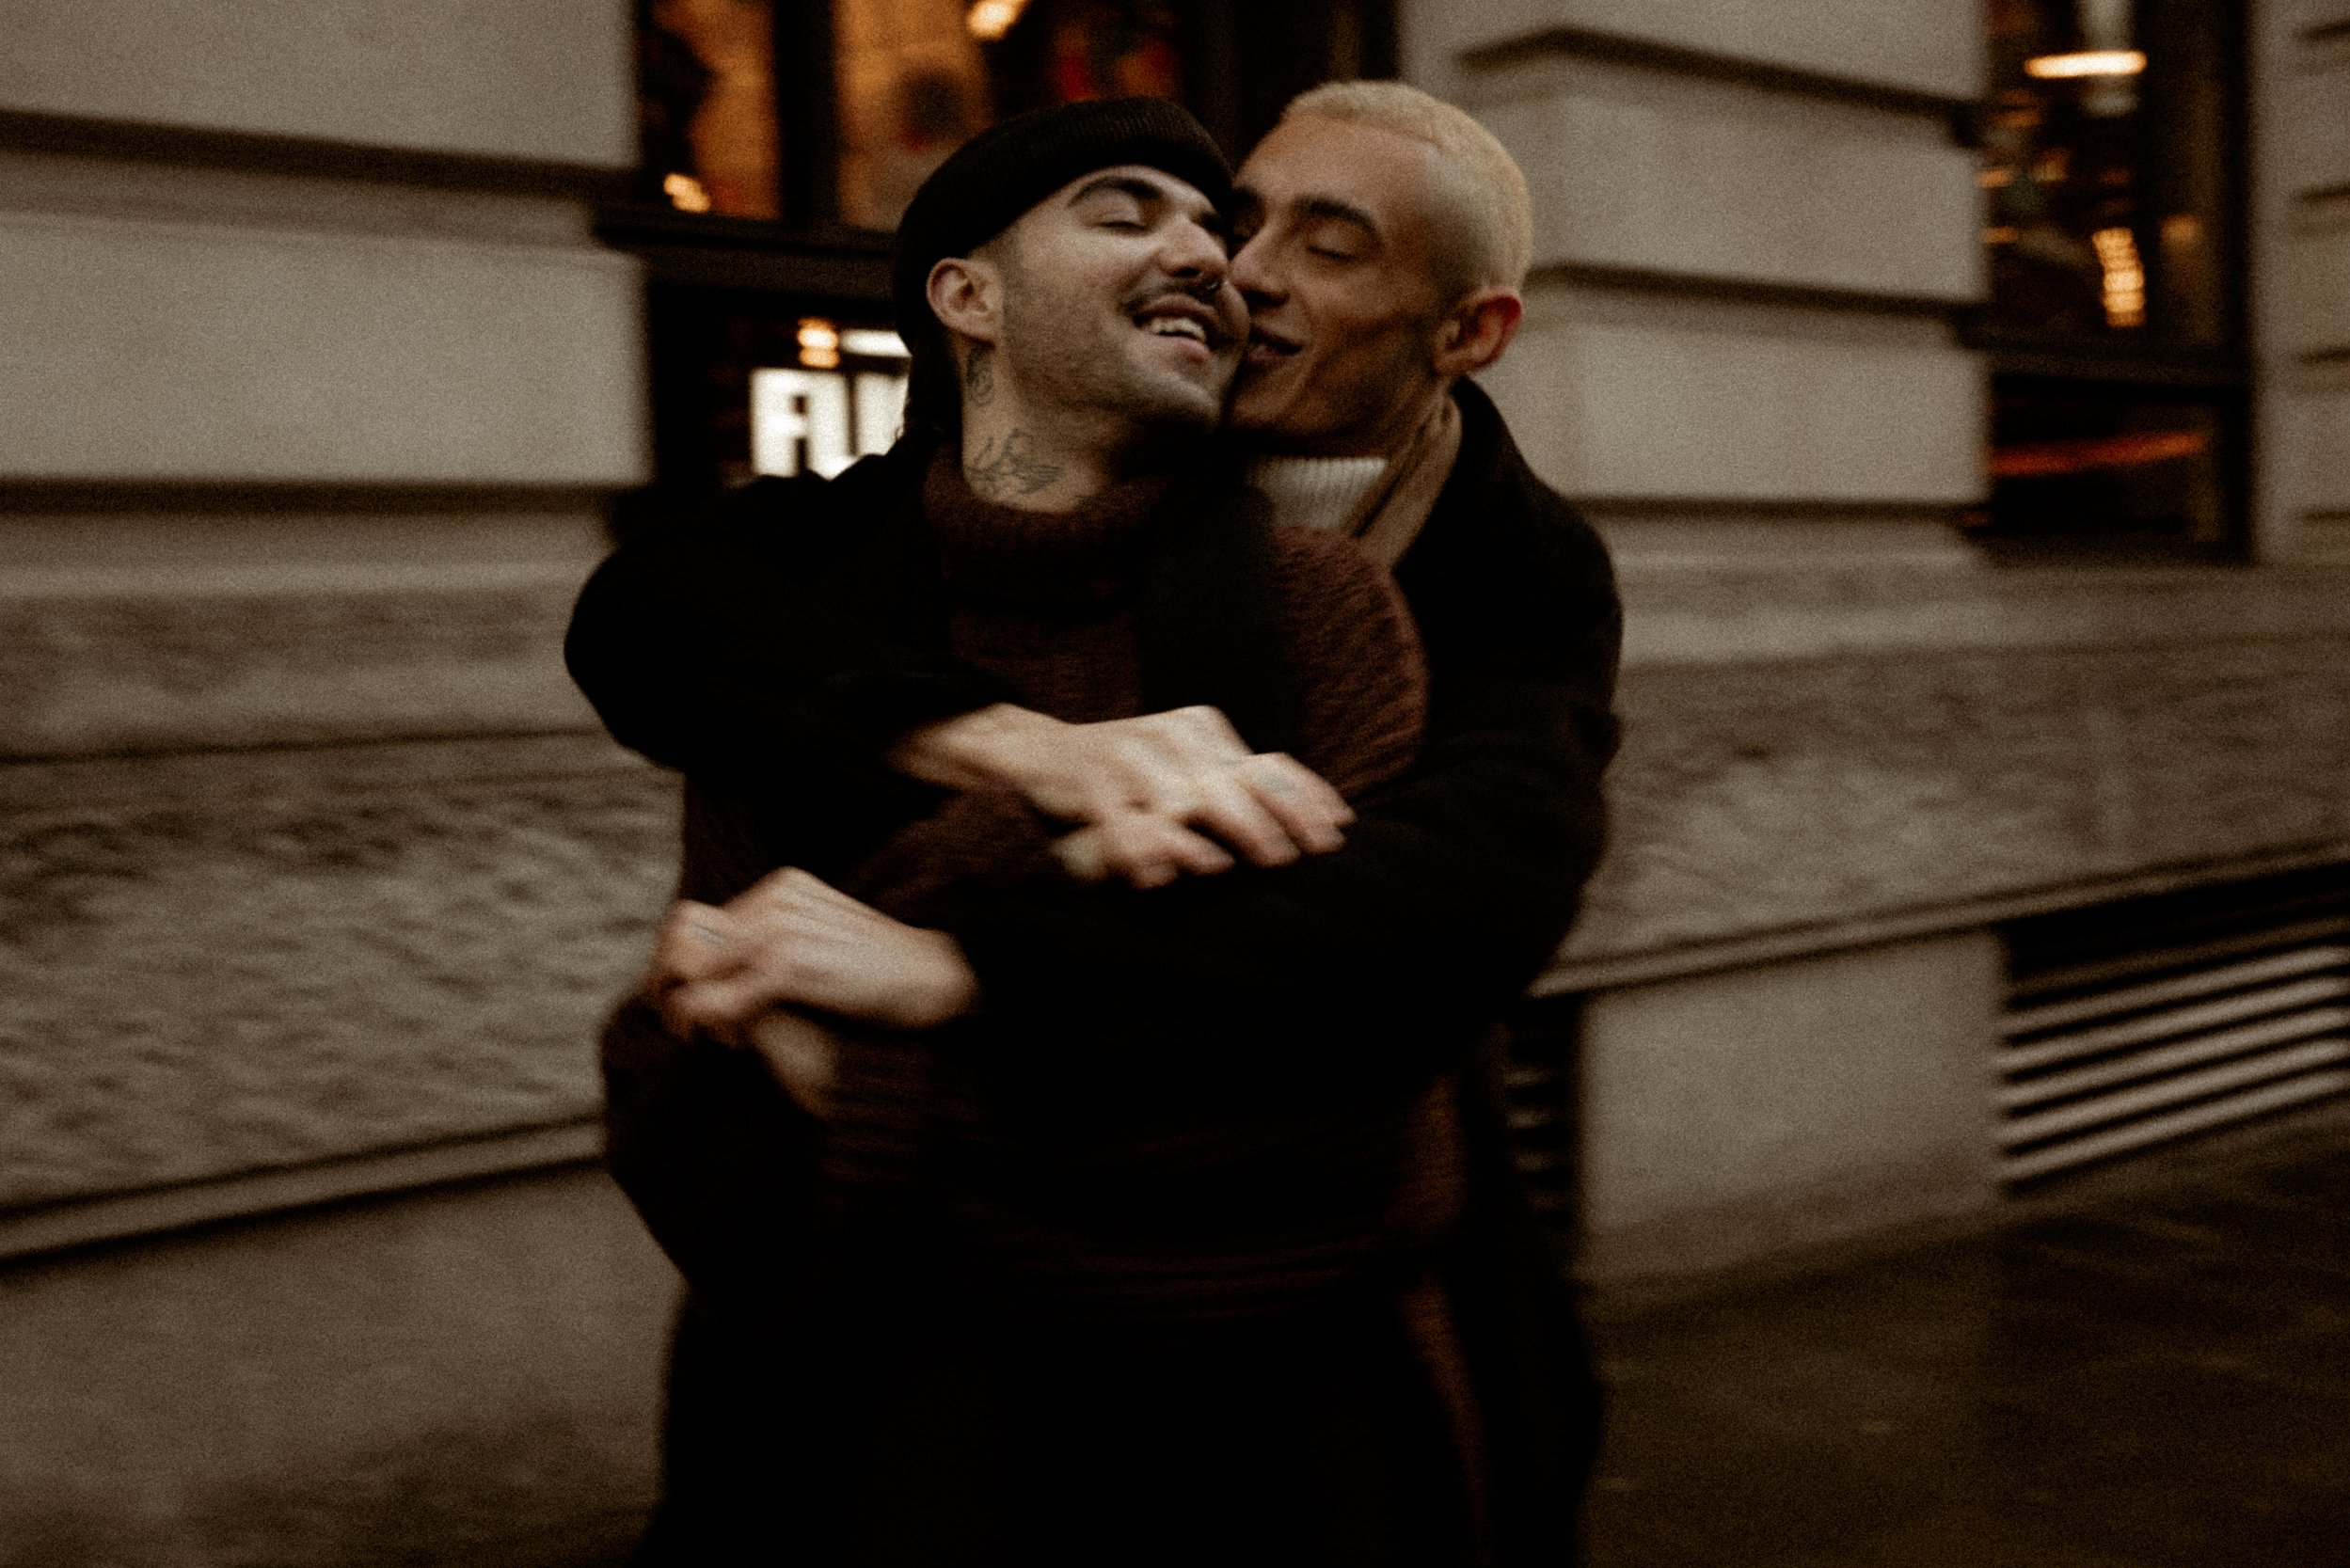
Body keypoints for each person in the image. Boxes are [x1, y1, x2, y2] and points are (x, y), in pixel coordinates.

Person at [570, 86, 1622, 1567]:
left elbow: (1434, 953)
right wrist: (1041, 759)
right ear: (966, 300)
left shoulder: (1470, 575)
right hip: (874, 1431)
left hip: (1299, 1400)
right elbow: (697, 1063)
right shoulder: (865, 567)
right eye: (1237, 218)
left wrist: (947, 987)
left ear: (1467, 335)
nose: (1239, 268)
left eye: (1329, 249)